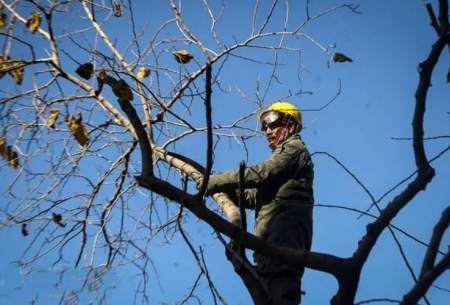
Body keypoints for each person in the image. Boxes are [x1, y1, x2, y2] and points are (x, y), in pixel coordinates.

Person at [205, 101, 314, 305]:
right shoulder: (284, 162)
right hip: (269, 242)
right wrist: (224, 186)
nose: (268, 131)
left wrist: (214, 181)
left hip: (284, 237)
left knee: (281, 291)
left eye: (273, 124)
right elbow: (253, 197)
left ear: (290, 125)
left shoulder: (294, 148)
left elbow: (262, 173)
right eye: (265, 126)